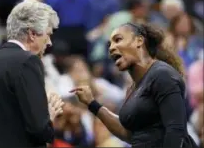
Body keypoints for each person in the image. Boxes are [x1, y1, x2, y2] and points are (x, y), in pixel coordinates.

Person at [70, 22, 198, 148]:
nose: (111, 48)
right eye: (110, 44)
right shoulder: (132, 89)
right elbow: (130, 135)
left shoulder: (162, 75)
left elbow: (176, 130)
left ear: (139, 41)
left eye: (118, 40)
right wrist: (92, 104)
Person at [0, 0, 64, 148]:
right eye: (48, 34)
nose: (50, 42)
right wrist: (49, 116)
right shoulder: (28, 61)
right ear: (32, 34)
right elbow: (39, 130)